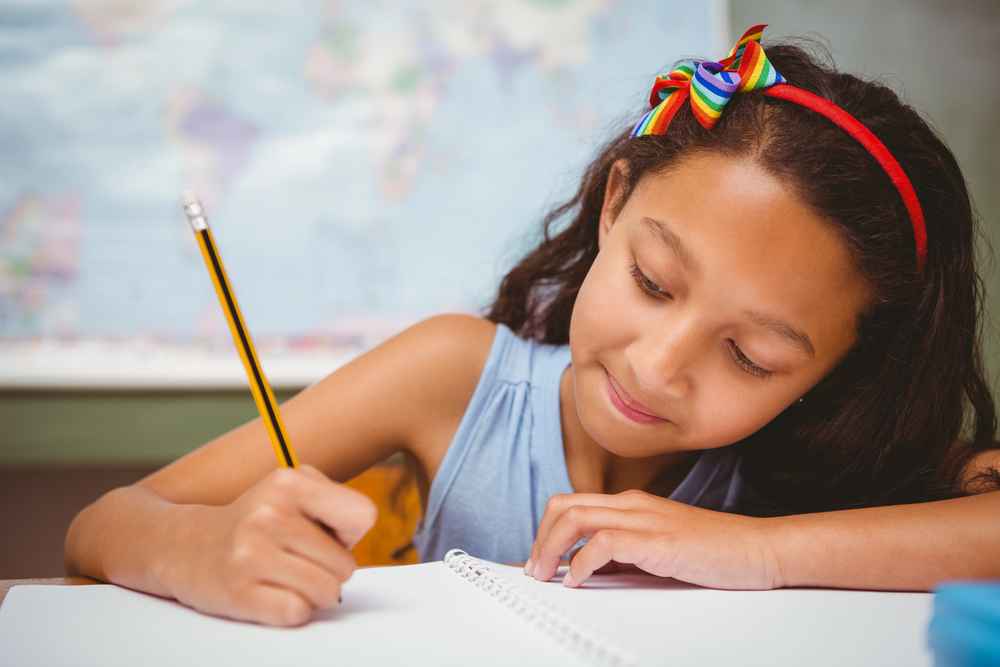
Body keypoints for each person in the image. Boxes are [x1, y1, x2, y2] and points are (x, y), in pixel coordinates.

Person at [65, 26, 1000, 626]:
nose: (656, 365)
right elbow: (104, 525)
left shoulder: (823, 467)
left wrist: (753, 549)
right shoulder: (453, 374)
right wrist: (199, 548)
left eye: (750, 356)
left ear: (839, 368)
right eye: (652, 280)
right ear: (615, 206)